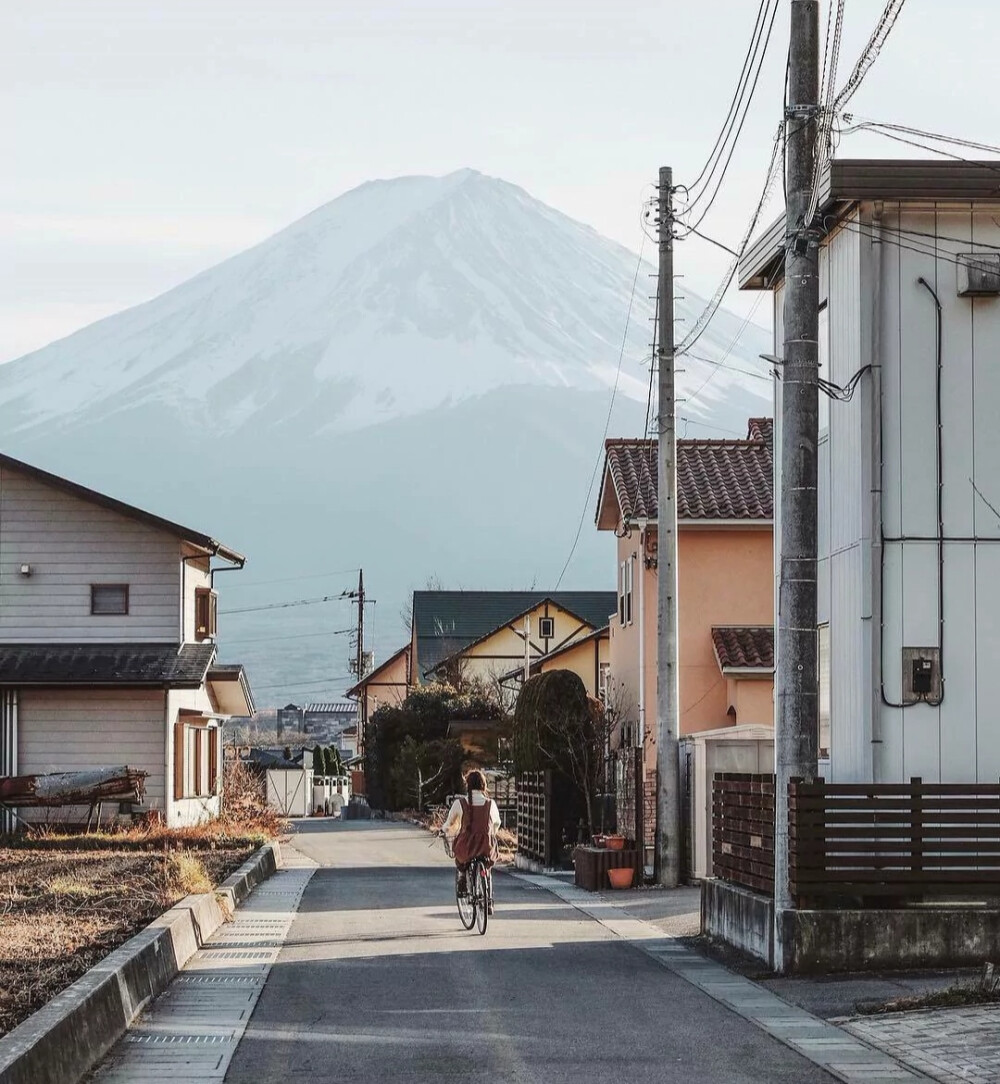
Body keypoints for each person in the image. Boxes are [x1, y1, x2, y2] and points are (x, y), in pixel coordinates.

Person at [442, 769, 501, 911]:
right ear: (483, 785)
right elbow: (497, 823)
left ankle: (462, 877)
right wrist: (491, 832)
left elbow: (449, 823)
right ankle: (489, 901)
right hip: (486, 845)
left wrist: (443, 830)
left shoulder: (460, 803)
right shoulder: (490, 804)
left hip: (467, 846)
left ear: (467, 784)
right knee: (487, 868)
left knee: (461, 861)